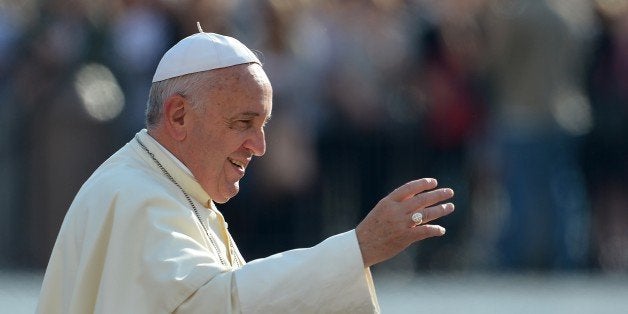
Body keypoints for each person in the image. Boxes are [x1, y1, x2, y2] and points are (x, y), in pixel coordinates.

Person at [36, 27, 455, 313]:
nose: (259, 146)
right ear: (179, 116)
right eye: (243, 123)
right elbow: (215, 306)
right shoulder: (135, 197)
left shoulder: (169, 188)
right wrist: (359, 249)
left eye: (263, 125)